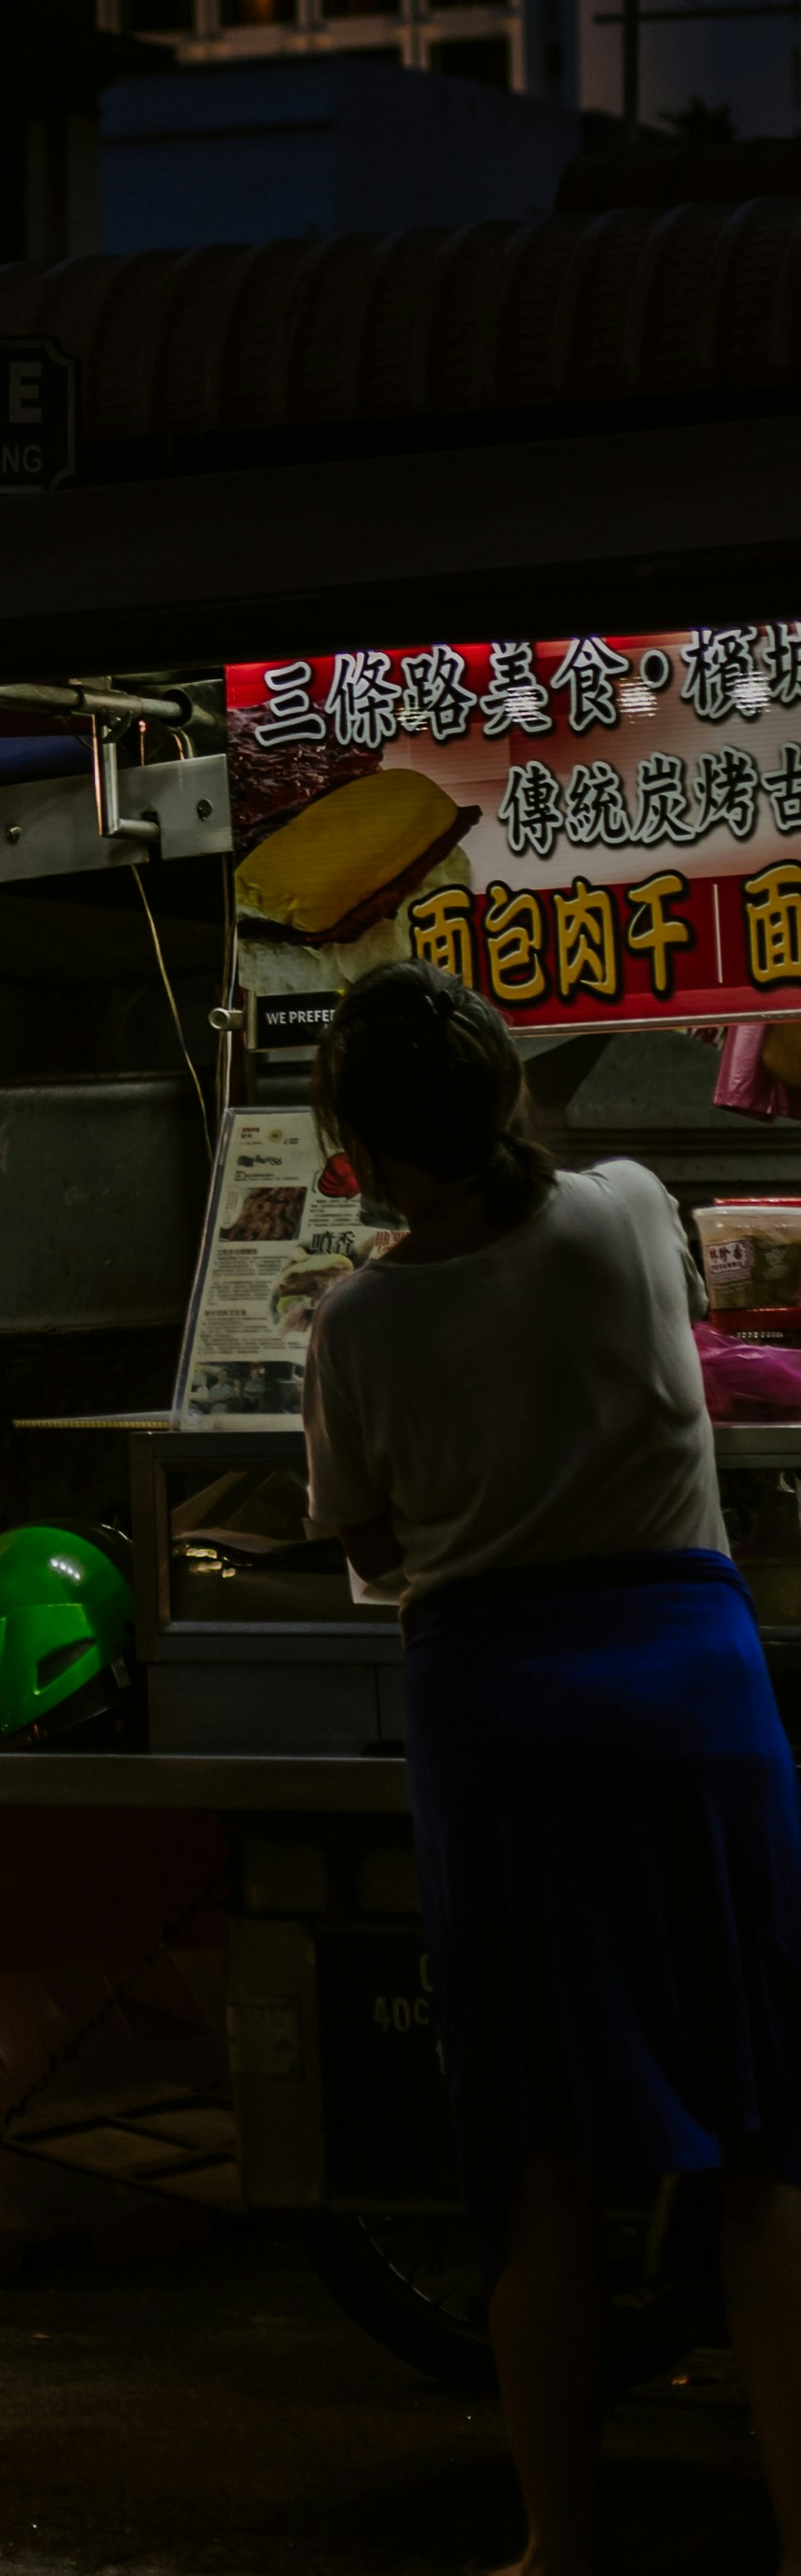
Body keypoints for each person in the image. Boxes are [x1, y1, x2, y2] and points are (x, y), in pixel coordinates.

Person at [302, 960, 801, 2576]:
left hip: (502, 1716)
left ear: (358, 1150)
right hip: (689, 1689)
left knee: (542, 2162)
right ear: (502, 1093)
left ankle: (558, 2544)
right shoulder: (633, 1212)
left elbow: (362, 1537)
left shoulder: (360, 1319)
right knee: (760, 2147)